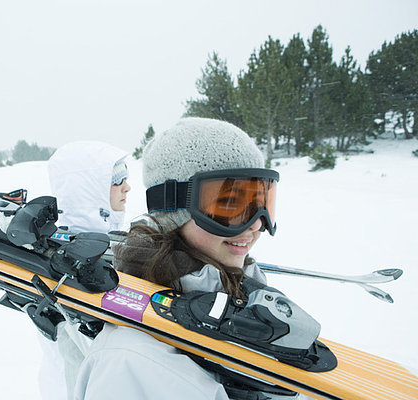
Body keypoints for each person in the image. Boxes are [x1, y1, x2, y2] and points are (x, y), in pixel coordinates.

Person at [72, 118, 300, 399]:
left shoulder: (249, 296)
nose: (255, 225)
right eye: (230, 204)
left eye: (260, 203)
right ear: (174, 209)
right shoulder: (130, 361)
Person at [38, 140, 131, 400]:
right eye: (117, 179)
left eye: (126, 176)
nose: (127, 186)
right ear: (89, 189)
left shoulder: (108, 244)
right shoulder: (69, 263)